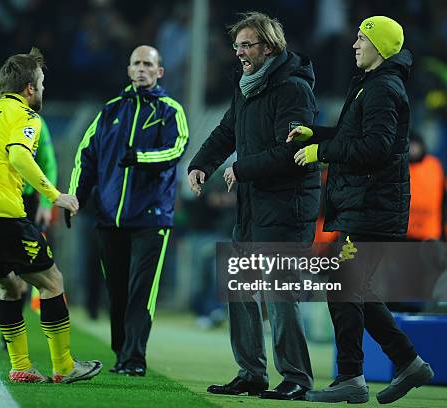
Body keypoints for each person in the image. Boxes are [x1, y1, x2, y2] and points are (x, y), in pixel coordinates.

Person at [289, 16, 434, 404]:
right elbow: (356, 137)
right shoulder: (374, 84)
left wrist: (321, 153)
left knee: (343, 285)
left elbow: (375, 148)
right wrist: (315, 133)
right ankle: (406, 362)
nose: (354, 44)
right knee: (355, 288)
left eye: (361, 38)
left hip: (373, 207)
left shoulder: (384, 88)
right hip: (367, 206)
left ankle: (352, 376)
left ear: (380, 47)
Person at [0, 48, 101, 384]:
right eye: (41, 83)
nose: (42, 89)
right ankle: (64, 367)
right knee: (52, 282)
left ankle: (21, 366)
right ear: (29, 88)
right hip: (3, 214)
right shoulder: (28, 117)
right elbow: (19, 157)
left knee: (10, 289)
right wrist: (56, 196)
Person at [188, 12, 319, 401]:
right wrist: (201, 164)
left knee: (281, 295)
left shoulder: (294, 88)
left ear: (269, 47)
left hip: (287, 206)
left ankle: (297, 377)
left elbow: (293, 149)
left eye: (248, 45)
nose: (240, 53)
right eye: (237, 46)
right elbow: (227, 131)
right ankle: (251, 372)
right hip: (253, 205)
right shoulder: (247, 86)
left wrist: (242, 168)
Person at [68, 45, 188, 376]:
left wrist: (141, 157)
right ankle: (121, 352)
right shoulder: (109, 111)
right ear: (128, 70)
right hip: (109, 217)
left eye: (148, 64)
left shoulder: (169, 110)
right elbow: (85, 156)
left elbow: (176, 149)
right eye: (136, 63)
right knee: (116, 291)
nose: (141, 69)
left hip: (151, 217)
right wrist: (76, 196)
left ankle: (135, 357)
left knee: (141, 290)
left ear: (159, 72)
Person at [0, 70, 58, 350]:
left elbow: (48, 162)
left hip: (24, 203)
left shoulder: (30, 121)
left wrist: (46, 203)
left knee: (19, 276)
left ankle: (10, 338)